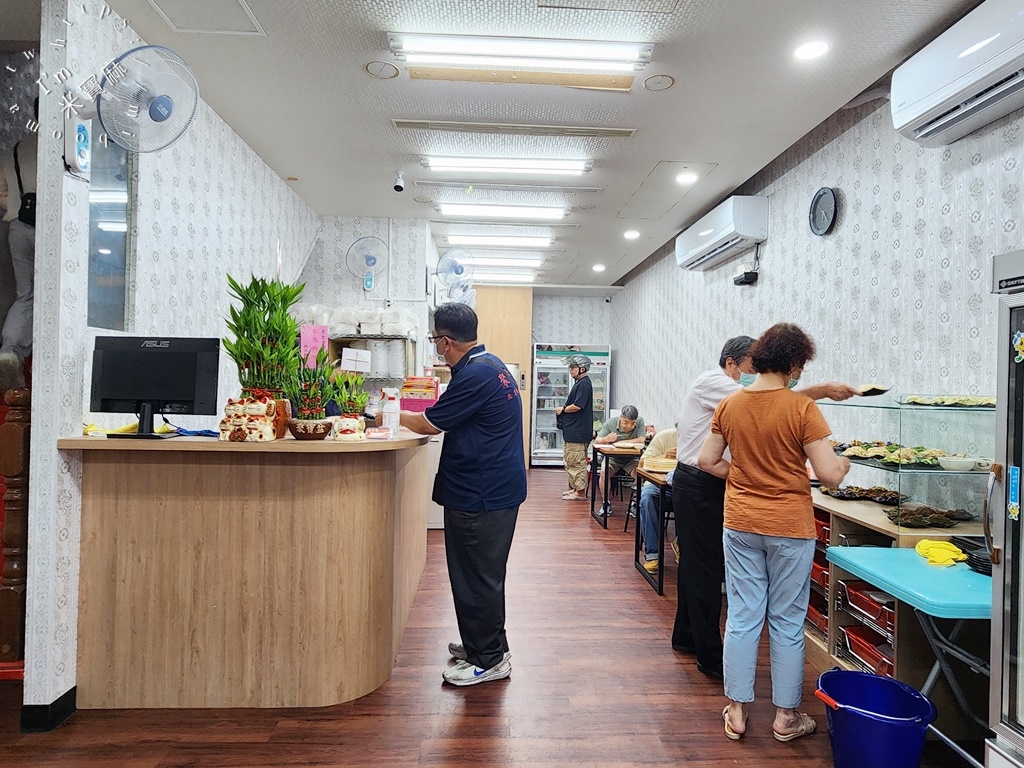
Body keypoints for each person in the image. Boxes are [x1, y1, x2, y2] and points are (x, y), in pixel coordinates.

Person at [671, 336, 856, 681]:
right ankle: (711, 656)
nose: (756, 378)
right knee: (706, 572)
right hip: (701, 483)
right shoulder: (714, 383)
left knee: (700, 570)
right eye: (751, 370)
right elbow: (766, 403)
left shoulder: (737, 394)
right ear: (730, 364)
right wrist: (822, 390)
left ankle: (687, 638)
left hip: (716, 485)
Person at [697, 322, 850, 742]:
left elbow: (708, 461)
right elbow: (830, 475)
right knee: (786, 620)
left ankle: (737, 711)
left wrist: (744, 477)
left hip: (741, 522)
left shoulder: (730, 405)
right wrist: (846, 462)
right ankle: (786, 717)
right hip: (789, 526)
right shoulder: (802, 409)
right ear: (794, 363)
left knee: (743, 616)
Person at [378, 303, 526, 687]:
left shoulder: (475, 375)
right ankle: (488, 644)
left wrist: (384, 414)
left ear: (445, 342)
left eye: (434, 341)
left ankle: (489, 660)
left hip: (482, 494)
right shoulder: (491, 365)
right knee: (484, 575)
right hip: (493, 489)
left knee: (476, 577)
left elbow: (430, 423)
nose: (436, 347)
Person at [0, 113, 36, 393]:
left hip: (18, 228)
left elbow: (1, 191)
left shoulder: (15, 148)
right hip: (49, 228)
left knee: (26, 294)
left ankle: (9, 351)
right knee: (55, 294)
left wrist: (15, 207)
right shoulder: (62, 145)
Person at [637, 426, 677, 573]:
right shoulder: (665, 437)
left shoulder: (704, 440)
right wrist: (664, 456)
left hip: (687, 489)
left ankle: (682, 544)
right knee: (647, 498)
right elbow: (642, 463)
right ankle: (652, 555)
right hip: (660, 487)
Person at [555, 353, 594, 501]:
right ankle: (575, 488)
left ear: (582, 369)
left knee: (576, 462)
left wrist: (563, 410)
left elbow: (578, 405)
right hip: (574, 431)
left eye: (573, 368)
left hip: (578, 432)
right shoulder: (580, 383)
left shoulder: (584, 384)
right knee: (571, 460)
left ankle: (580, 492)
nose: (570, 370)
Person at [593, 404, 646, 482]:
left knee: (640, 474)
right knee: (604, 473)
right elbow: (597, 440)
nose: (629, 426)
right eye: (626, 422)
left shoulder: (640, 421)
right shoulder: (611, 422)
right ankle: (605, 495)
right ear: (621, 417)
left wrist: (623, 442)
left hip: (632, 458)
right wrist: (606, 439)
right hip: (612, 458)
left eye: (633, 423)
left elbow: (641, 439)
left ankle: (637, 493)